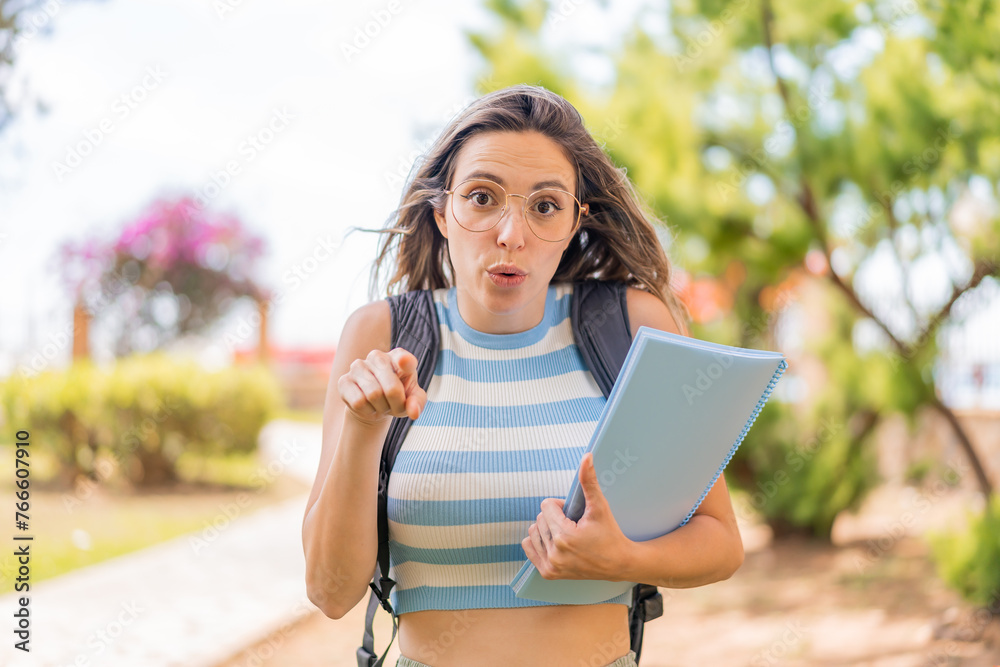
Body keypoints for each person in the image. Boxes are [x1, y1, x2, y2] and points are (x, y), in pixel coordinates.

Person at [302, 84, 745, 667]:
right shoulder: (379, 335)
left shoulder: (631, 326)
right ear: (442, 212)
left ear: (573, 223)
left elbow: (720, 542)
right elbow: (331, 592)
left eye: (544, 206)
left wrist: (621, 559)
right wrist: (363, 429)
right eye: (482, 198)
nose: (511, 234)